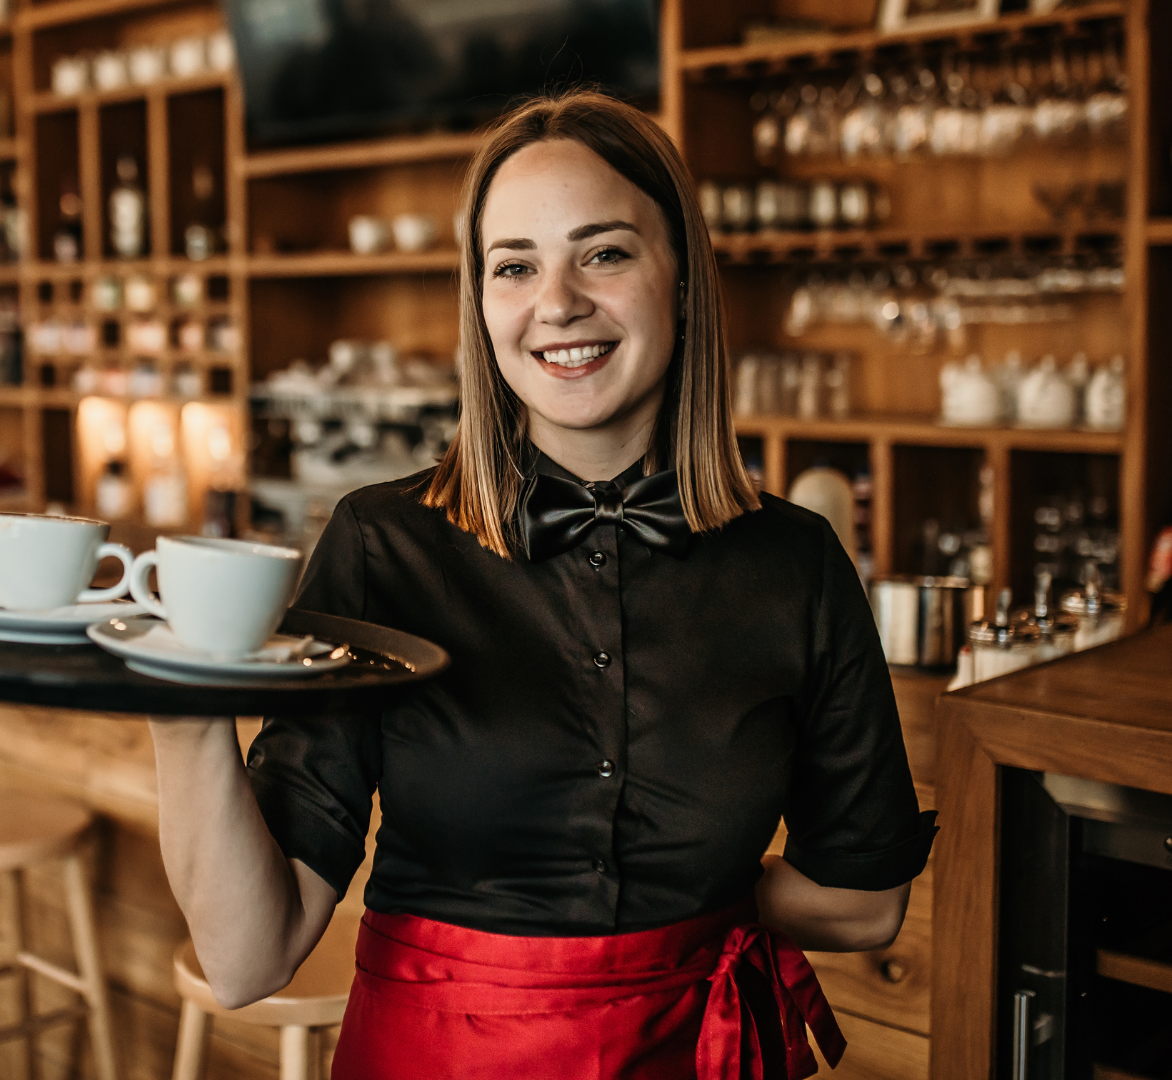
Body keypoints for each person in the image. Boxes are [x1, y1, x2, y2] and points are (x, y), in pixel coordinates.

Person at [149, 89, 935, 1079]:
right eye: (514, 265)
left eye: (603, 253)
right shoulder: (378, 547)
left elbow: (866, 901)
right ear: (481, 304)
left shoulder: (797, 563)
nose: (556, 302)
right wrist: (177, 709)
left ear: (683, 278)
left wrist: (682, 902)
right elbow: (244, 956)